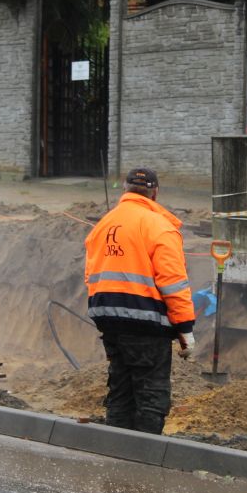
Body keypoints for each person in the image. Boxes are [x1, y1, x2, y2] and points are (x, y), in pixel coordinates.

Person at [84, 167, 196, 434]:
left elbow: (90, 275)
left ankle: (117, 448)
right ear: (155, 192)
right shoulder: (160, 227)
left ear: (124, 190)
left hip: (107, 318)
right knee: (151, 393)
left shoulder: (104, 224)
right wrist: (185, 328)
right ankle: (144, 456)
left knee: (120, 389)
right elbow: (173, 283)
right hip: (145, 322)